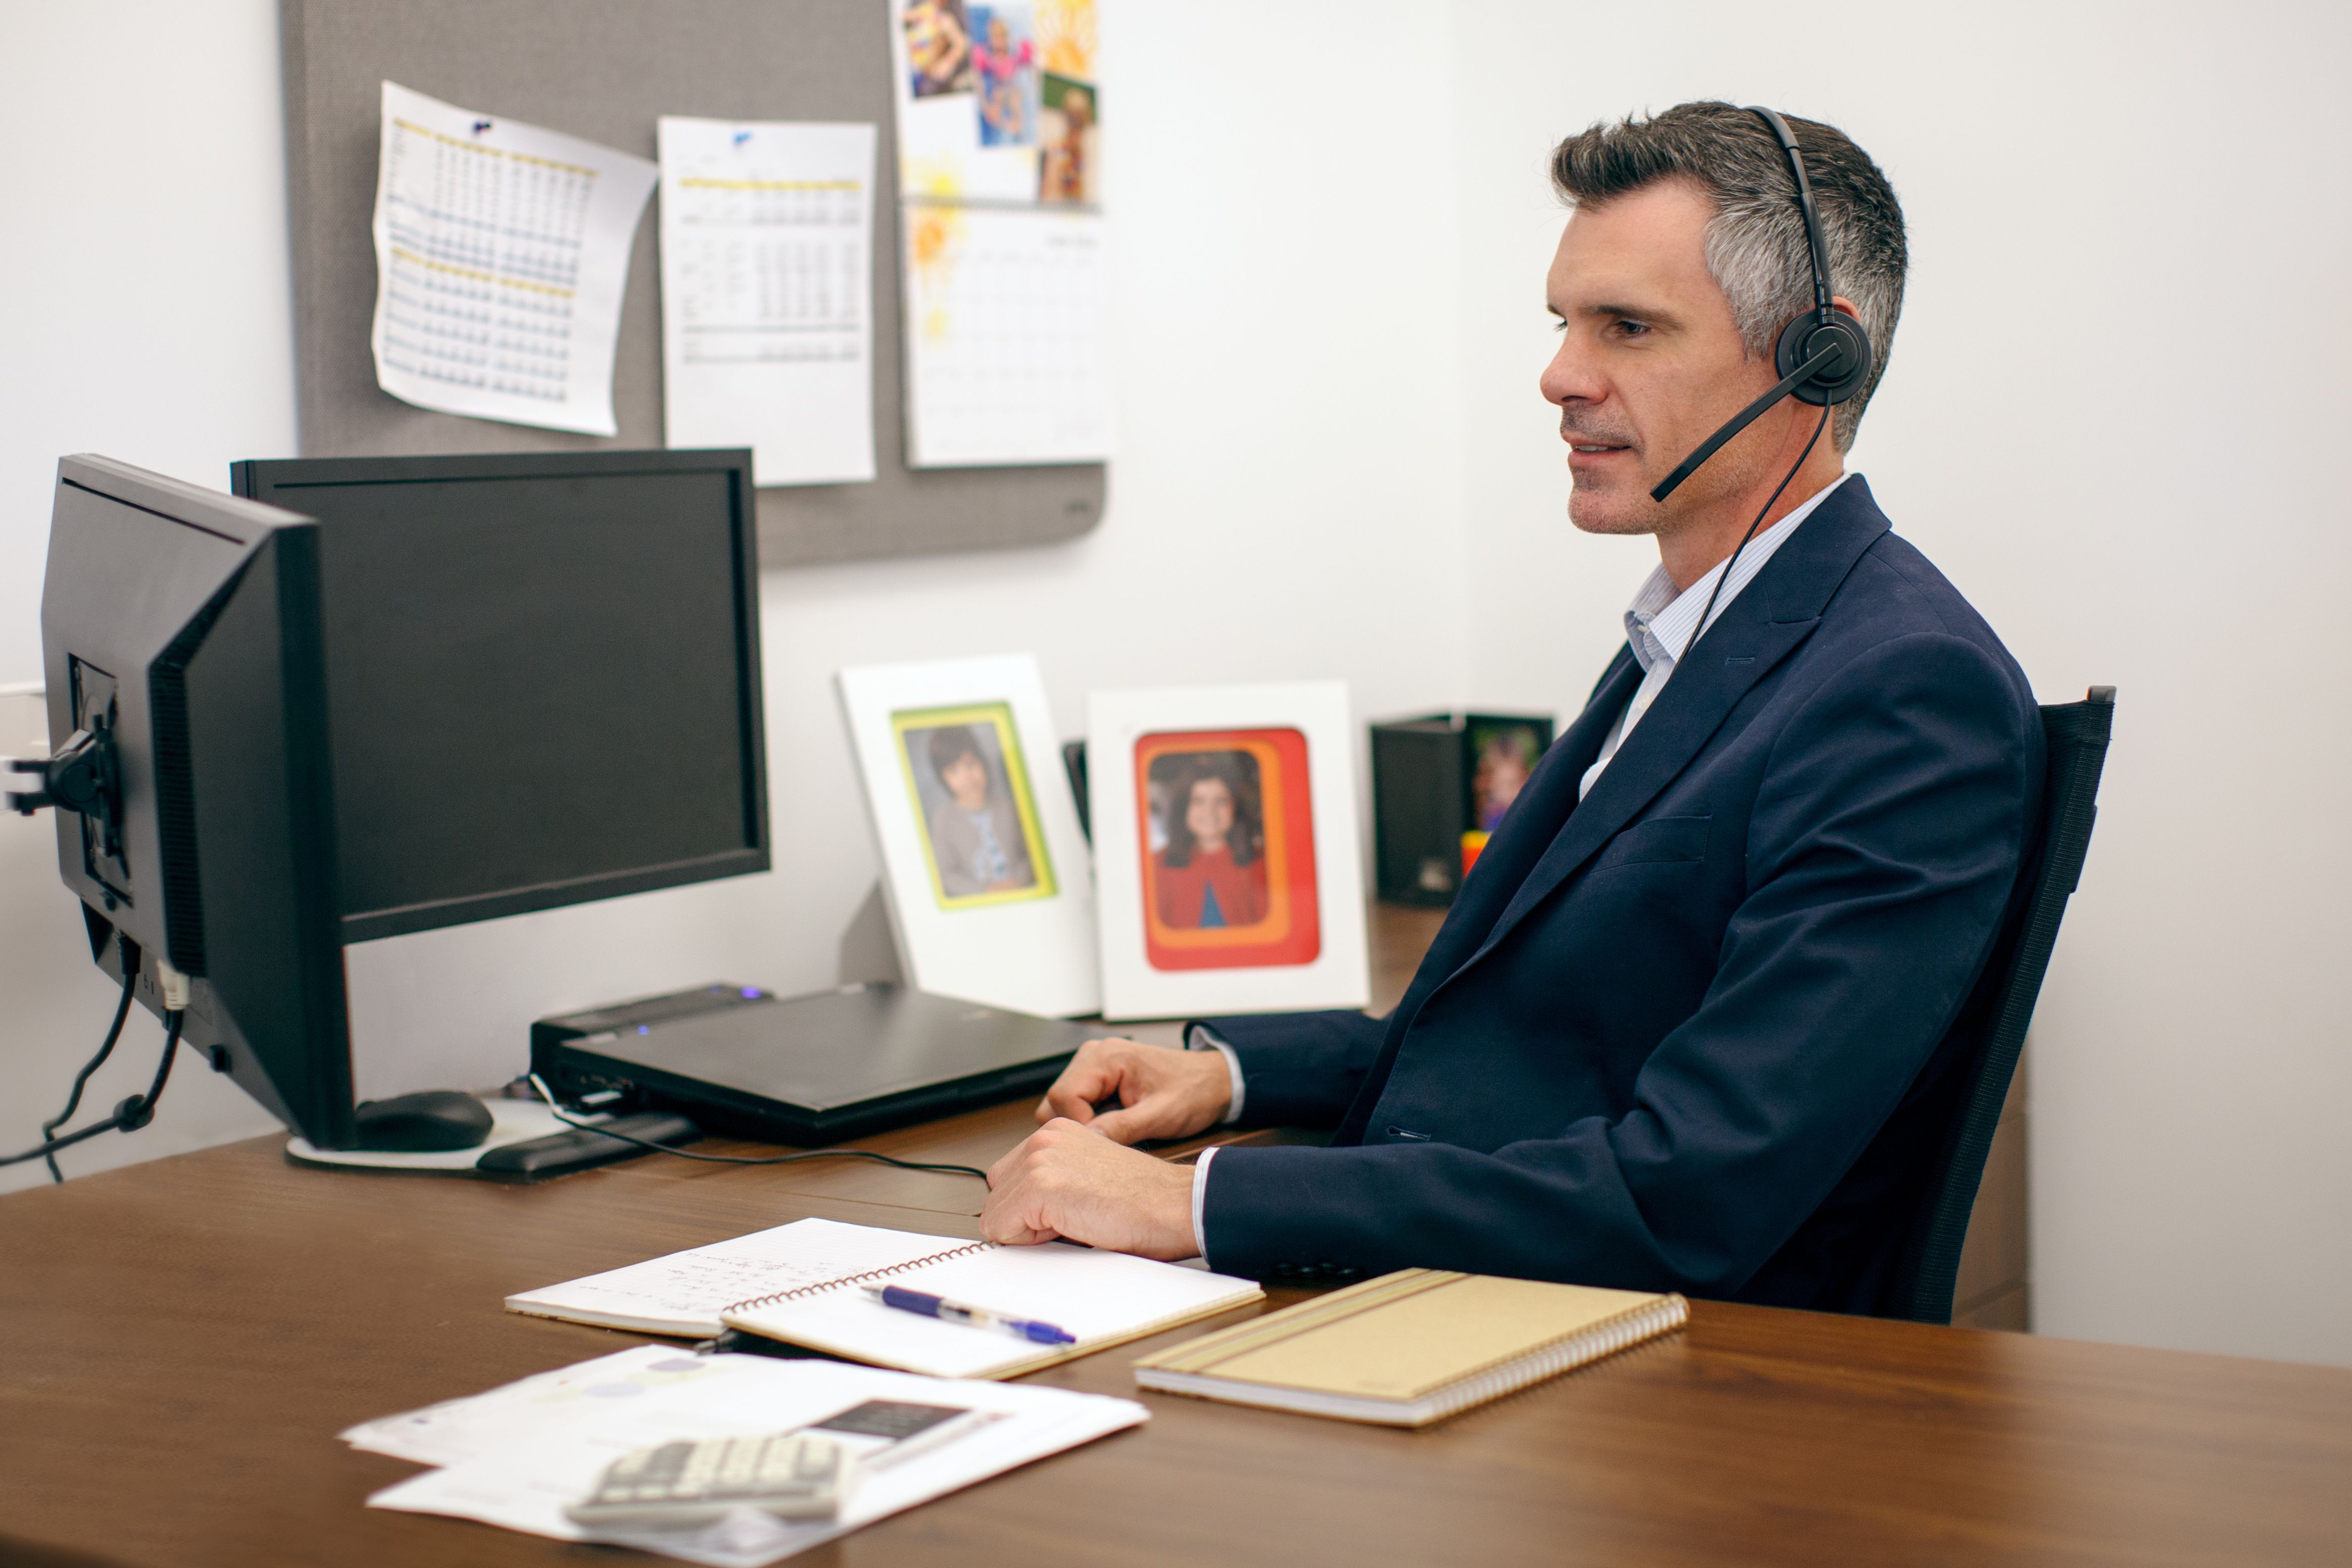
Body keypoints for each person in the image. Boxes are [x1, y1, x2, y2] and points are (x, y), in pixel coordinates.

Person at [979, 102, 2045, 1316]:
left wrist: (1196, 1204)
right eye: (1565, 323)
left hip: (1681, 1395)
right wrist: (1226, 1074)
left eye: (1628, 328)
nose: (1559, 376)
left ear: (1818, 358)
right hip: (1530, 1317)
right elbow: (1538, 1029)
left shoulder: (1905, 693)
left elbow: (1686, 1194)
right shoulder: (1695, 634)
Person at [1151, 758, 1269, 929]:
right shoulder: (1158, 864)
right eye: (1199, 801)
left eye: (1221, 801)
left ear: (1236, 808)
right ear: (1183, 809)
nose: (1210, 811)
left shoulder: (1261, 862)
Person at [922, 726, 1035, 899]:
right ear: (943, 778)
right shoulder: (943, 819)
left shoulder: (1008, 808)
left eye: (971, 765)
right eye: (954, 771)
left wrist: (1017, 881)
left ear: (983, 762)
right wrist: (986, 891)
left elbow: (1031, 855)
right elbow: (947, 875)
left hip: (1020, 896)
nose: (966, 777)